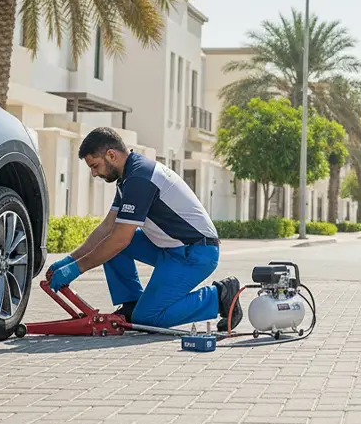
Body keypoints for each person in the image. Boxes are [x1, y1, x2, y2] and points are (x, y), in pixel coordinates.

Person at [46, 127, 242, 331]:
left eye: (95, 166)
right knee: (111, 244)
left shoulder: (140, 178)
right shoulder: (128, 177)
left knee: (147, 318)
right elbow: (107, 228)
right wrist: (70, 260)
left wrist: (76, 269)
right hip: (170, 247)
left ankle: (218, 296)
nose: (94, 173)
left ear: (111, 155)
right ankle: (131, 305)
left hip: (195, 253)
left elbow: (120, 239)